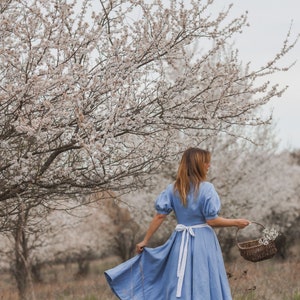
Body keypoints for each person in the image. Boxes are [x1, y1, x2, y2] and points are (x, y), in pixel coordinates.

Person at [104, 147, 250, 300]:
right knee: (204, 279)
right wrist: (236, 222)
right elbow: (211, 220)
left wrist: (145, 240)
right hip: (203, 242)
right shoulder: (207, 189)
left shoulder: (173, 188)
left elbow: (160, 216)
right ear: (198, 165)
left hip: (180, 242)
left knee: (179, 280)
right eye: (206, 162)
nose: (209, 165)